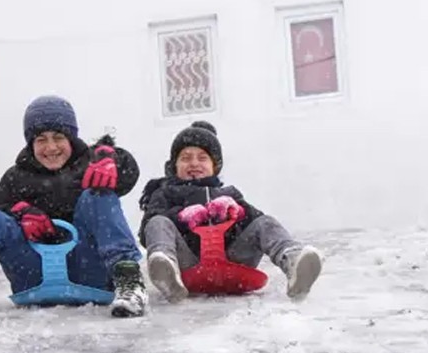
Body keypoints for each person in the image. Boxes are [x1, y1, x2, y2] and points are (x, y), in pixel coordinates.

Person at [0, 95, 148, 319]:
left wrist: (112, 159)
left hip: (88, 270)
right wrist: (19, 211)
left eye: (58, 137)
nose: (51, 147)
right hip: (33, 273)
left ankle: (128, 280)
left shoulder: (90, 164)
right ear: (31, 143)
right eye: (41, 139)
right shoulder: (17, 177)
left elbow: (128, 173)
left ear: (71, 139)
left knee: (99, 194)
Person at [138, 121, 323, 302]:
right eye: (185, 158)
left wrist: (240, 211)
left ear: (214, 166)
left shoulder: (229, 194)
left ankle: (293, 261)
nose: (194, 163)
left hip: (232, 262)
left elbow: (257, 224)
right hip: (189, 265)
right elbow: (147, 231)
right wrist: (179, 217)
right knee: (158, 222)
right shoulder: (165, 193)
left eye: (202, 158)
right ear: (174, 166)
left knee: (265, 222)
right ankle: (167, 272)